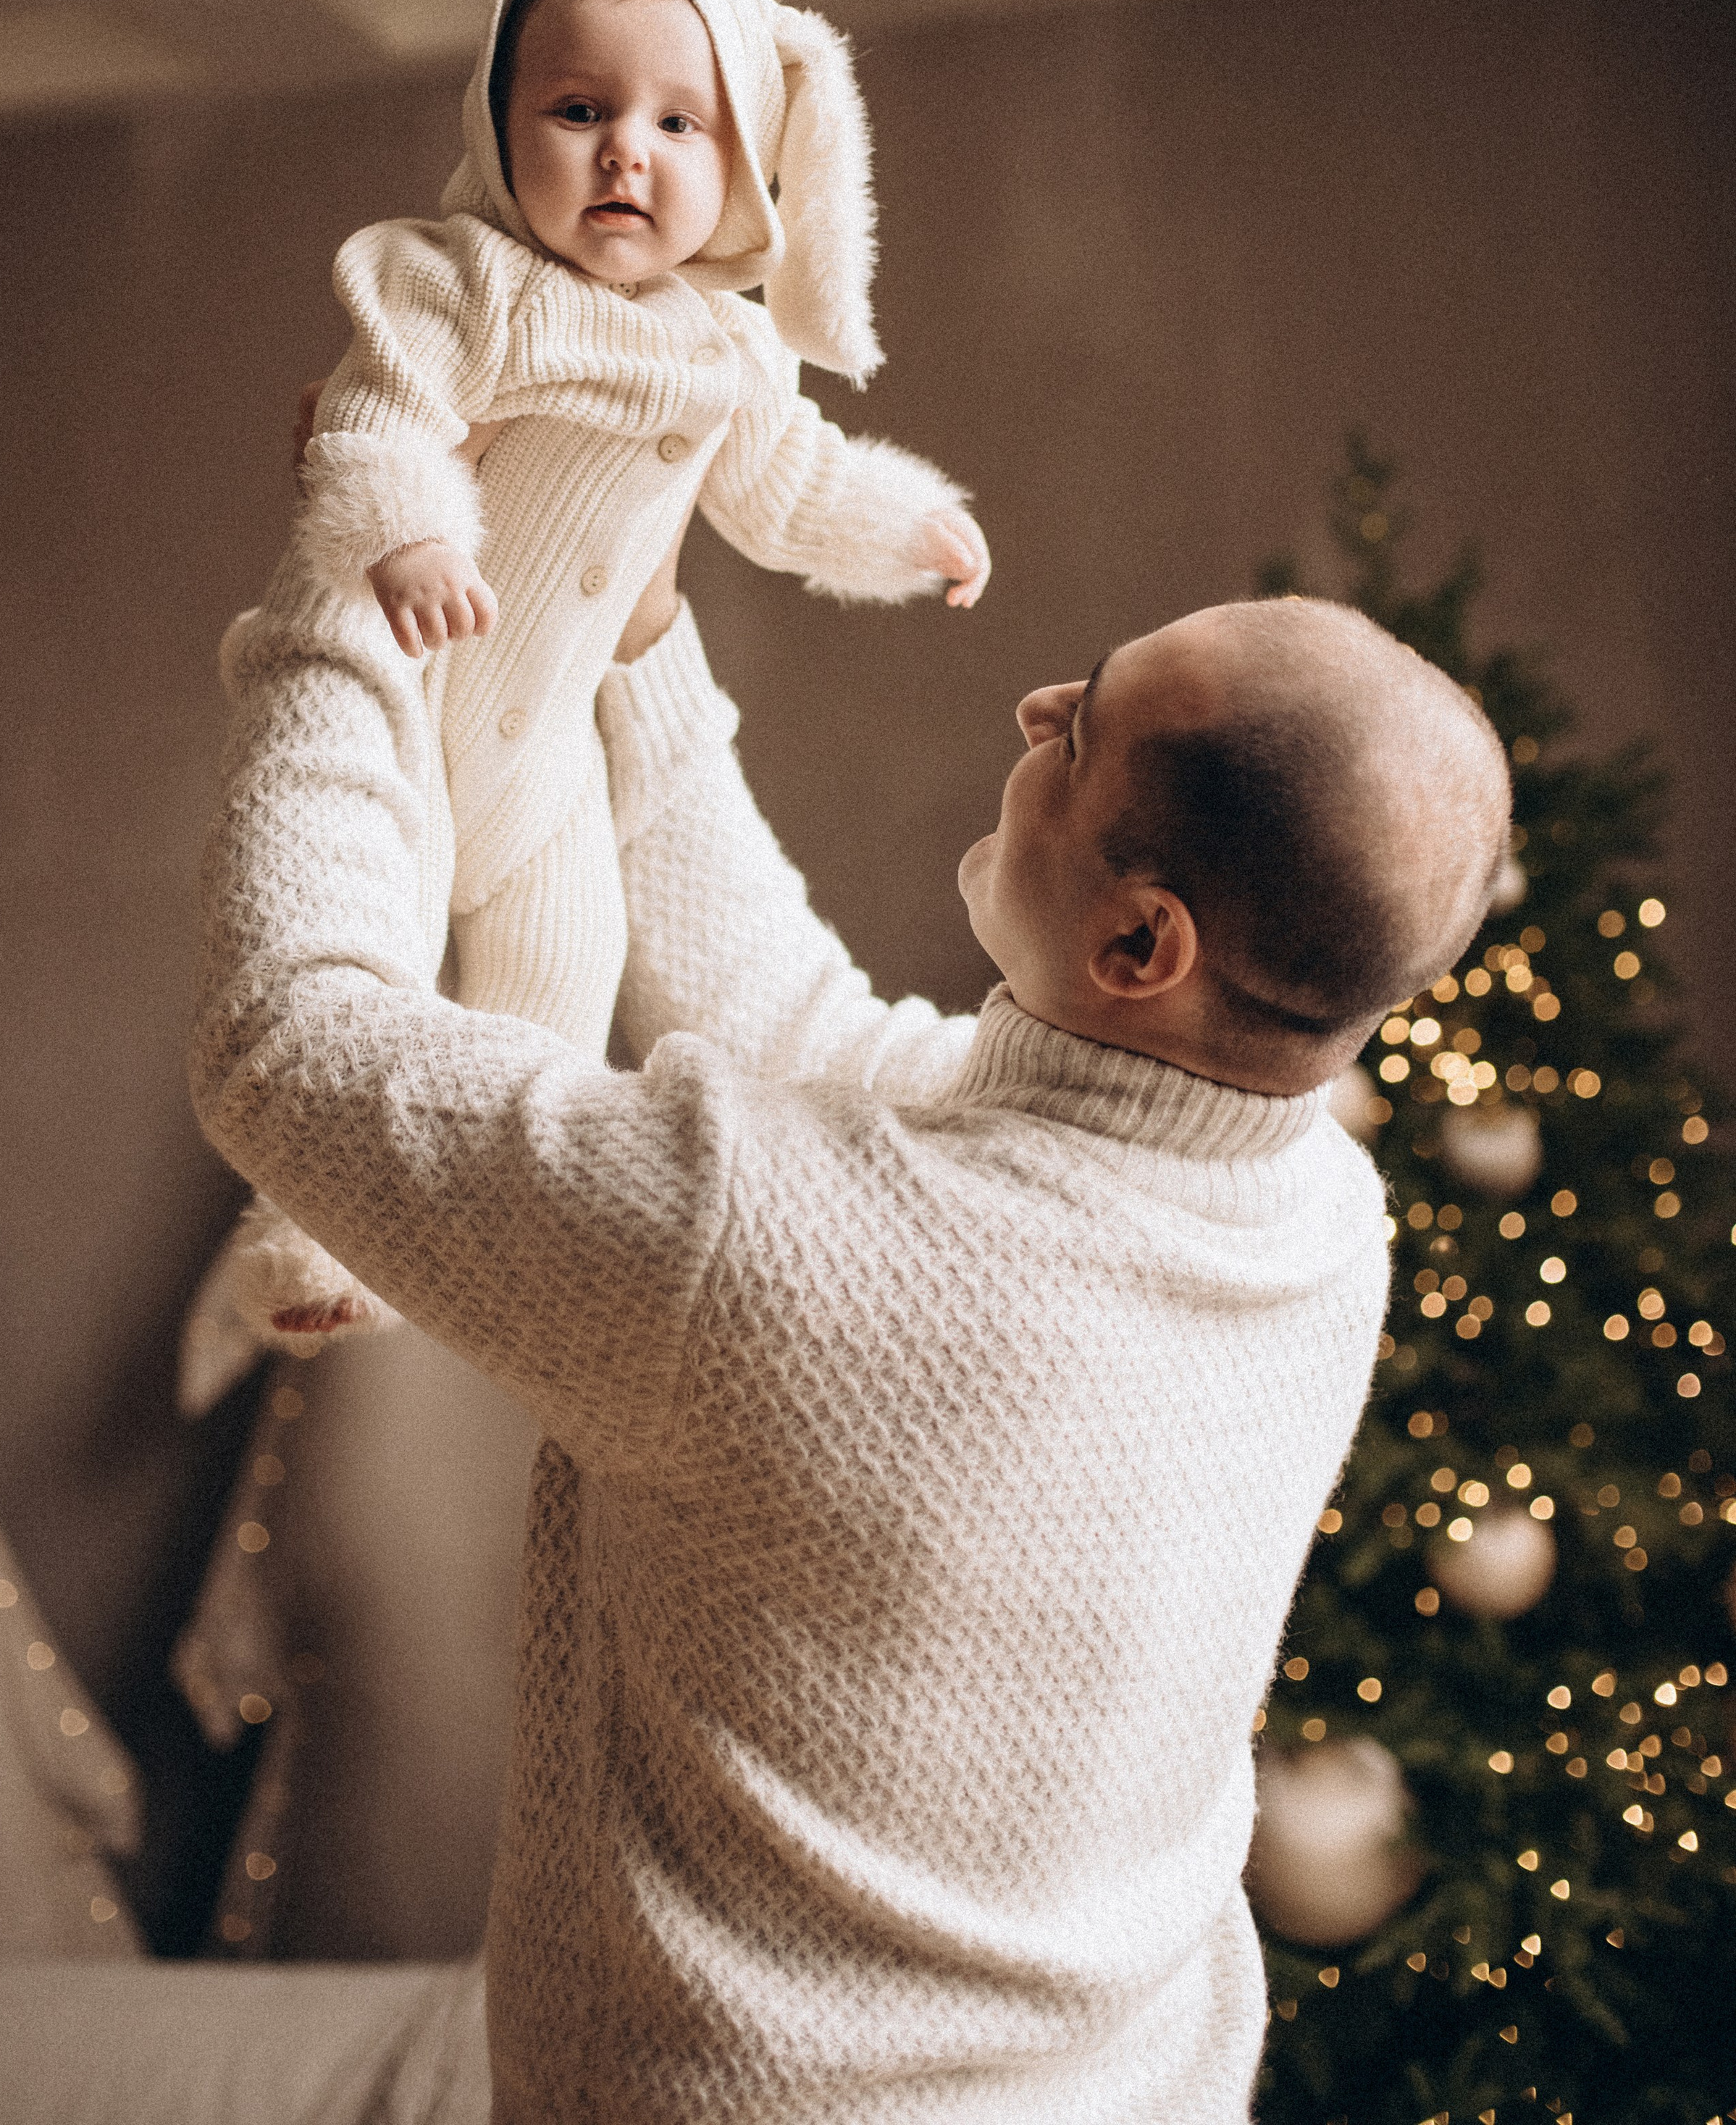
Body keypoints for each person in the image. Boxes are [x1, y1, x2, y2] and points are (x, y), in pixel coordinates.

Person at [191, 523, 1509, 2124]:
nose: (1031, 706)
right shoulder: (1316, 1220)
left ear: (1137, 946)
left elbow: (287, 1037)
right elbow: (810, 1038)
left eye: (1081, 726)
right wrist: (640, 643)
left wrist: (337, 592)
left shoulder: (755, 1242)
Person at [232, 0, 989, 1338]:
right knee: (369, 964)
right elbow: (369, 423)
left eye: (674, 122)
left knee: (555, 991)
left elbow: (786, 491)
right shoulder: (458, 281)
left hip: (550, 761)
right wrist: (408, 539)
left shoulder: (727, 351)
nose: (622, 151)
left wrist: (907, 529)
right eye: (576, 112)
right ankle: (311, 1236)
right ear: (499, 128)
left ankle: (473, 1240)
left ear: (741, 172)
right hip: (406, 698)